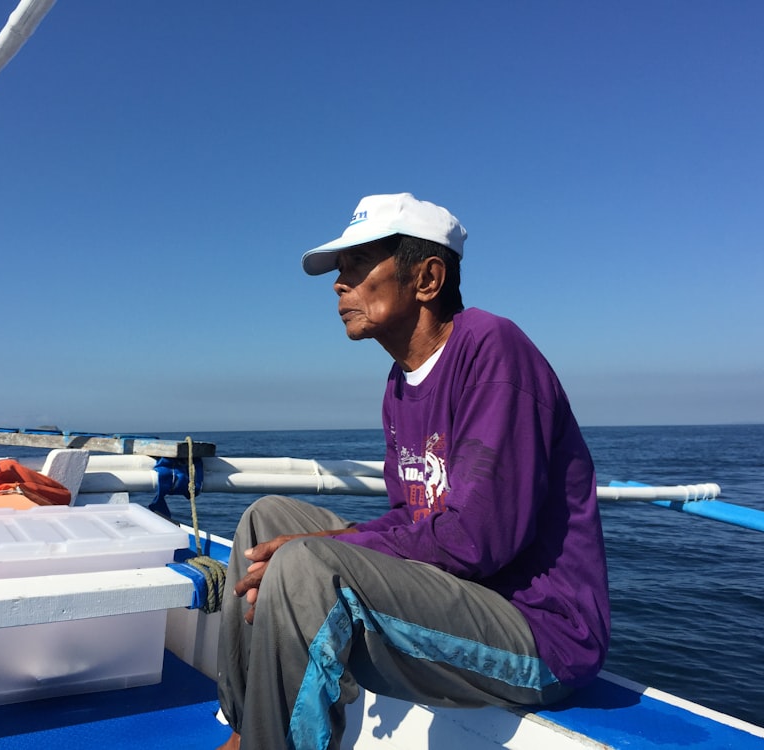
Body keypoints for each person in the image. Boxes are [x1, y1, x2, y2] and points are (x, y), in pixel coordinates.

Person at [216, 193, 610, 750]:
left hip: (541, 634)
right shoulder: (400, 383)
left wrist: (333, 544)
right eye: (338, 269)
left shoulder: (493, 351)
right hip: (460, 596)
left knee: (305, 565)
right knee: (266, 520)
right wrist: (338, 540)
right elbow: (412, 515)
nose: (338, 283)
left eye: (356, 264)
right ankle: (243, 730)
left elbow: (477, 540)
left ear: (427, 278)